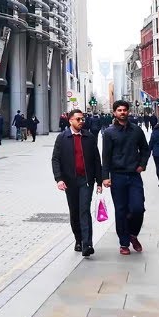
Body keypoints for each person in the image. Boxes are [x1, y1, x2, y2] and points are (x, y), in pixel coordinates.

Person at [101, 100, 149, 256]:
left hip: (134, 176)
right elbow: (106, 156)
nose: (122, 112)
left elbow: (145, 149)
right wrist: (105, 177)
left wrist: (142, 165)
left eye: (124, 110)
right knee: (121, 210)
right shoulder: (109, 133)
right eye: (119, 110)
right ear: (114, 113)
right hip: (117, 176)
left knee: (138, 208)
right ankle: (124, 243)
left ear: (128, 112)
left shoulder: (136, 130)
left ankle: (133, 234)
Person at [52, 109, 101, 258]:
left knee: (84, 210)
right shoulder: (62, 138)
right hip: (70, 181)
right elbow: (55, 159)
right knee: (74, 212)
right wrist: (59, 179)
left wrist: (99, 181)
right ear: (70, 121)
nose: (81, 122)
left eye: (82, 119)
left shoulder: (89, 137)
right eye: (78, 119)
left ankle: (87, 244)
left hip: (86, 180)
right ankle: (78, 239)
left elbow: (96, 160)